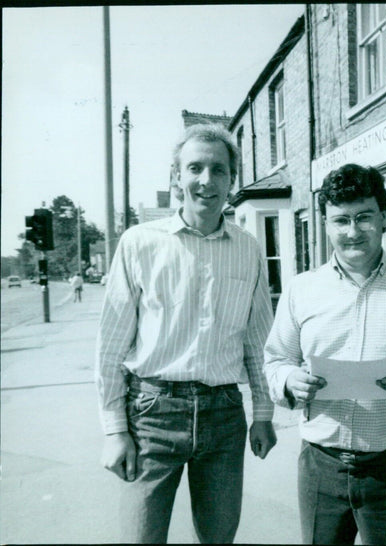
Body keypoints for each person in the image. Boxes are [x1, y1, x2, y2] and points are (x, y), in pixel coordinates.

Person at [95, 123, 277, 544]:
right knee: (142, 538)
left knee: (218, 539)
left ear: (232, 180)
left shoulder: (248, 248)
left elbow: (258, 339)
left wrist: (263, 414)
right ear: (176, 177)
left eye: (218, 169)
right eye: (194, 168)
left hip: (224, 415)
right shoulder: (140, 242)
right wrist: (115, 430)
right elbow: (110, 347)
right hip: (151, 415)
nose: (206, 180)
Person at [264, 163, 386, 545]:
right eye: (341, 220)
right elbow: (276, 360)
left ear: (384, 218)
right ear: (325, 223)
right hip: (321, 465)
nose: (352, 232)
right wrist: (291, 380)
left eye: (364, 217)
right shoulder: (301, 289)